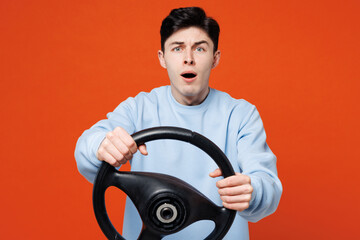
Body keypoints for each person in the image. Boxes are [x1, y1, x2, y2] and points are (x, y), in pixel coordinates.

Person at [75, 6, 282, 239]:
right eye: (177, 48)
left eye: (200, 49)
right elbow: (87, 148)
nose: (188, 59)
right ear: (162, 58)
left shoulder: (241, 114)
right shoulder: (139, 108)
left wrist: (252, 191)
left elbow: (267, 185)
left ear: (215, 59)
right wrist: (102, 145)